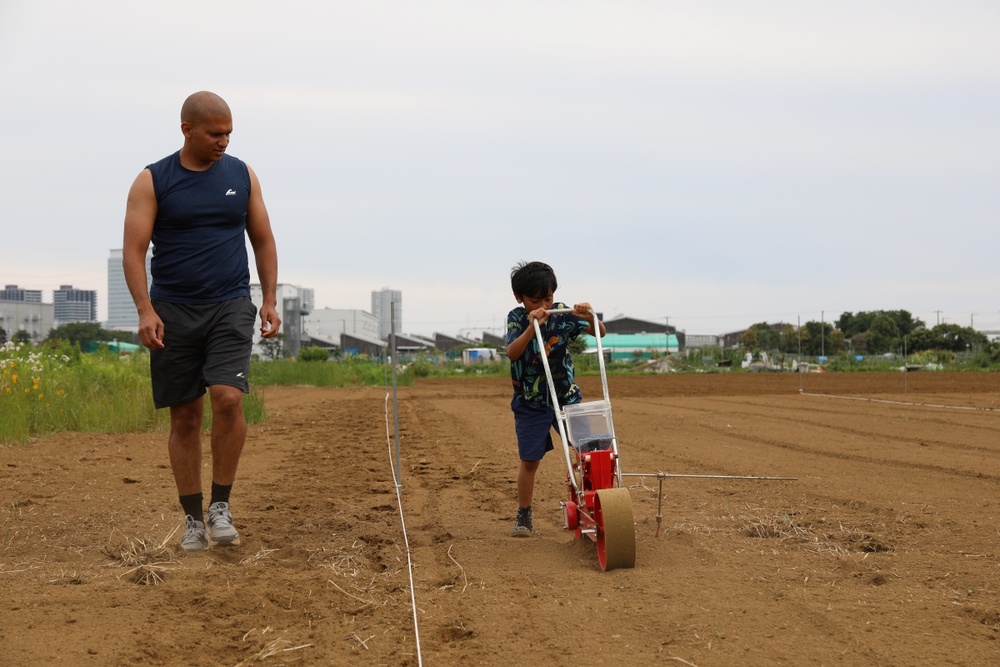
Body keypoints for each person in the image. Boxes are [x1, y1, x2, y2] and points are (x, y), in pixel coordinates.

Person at [122, 91, 281, 552]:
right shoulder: (153, 180)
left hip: (230, 302)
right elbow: (134, 250)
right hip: (172, 308)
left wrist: (268, 299)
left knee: (228, 398)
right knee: (186, 416)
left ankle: (221, 506)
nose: (224, 141)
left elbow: (264, 240)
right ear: (187, 129)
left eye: (229, 132)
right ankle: (193, 518)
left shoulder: (241, 174)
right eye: (215, 133)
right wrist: (145, 309)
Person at [505, 261, 605, 537]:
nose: (543, 304)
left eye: (547, 298)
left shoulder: (561, 313)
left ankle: (597, 505)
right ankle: (524, 514)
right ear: (520, 298)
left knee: (589, 451)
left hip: (566, 399)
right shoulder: (516, 317)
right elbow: (513, 352)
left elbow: (600, 332)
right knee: (530, 460)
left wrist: (587, 316)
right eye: (535, 300)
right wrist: (531, 326)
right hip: (531, 403)